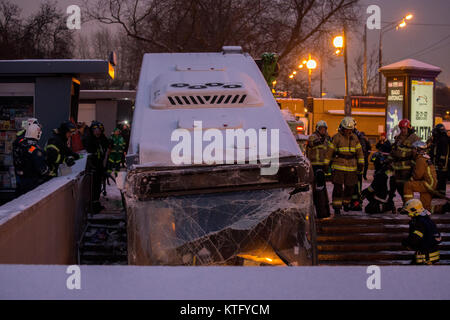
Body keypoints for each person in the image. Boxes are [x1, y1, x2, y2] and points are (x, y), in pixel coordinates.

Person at [324, 117, 364, 215]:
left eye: (350, 129)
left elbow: (359, 153)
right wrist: (326, 164)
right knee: (338, 188)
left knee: (350, 187)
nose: (348, 131)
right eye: (346, 129)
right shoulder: (337, 137)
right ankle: (337, 207)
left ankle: (346, 203)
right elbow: (330, 152)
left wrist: (361, 164)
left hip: (352, 167)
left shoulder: (355, 138)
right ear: (342, 128)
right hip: (338, 167)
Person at [13, 120, 49, 196]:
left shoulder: (21, 144)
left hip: (22, 180)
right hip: (32, 182)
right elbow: (42, 169)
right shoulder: (34, 150)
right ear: (38, 134)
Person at [400, 199, 441, 265]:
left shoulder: (419, 222)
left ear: (414, 210)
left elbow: (415, 238)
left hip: (424, 259)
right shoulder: (427, 220)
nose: (408, 215)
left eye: (408, 212)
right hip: (432, 255)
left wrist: (406, 242)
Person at [390, 119, 420, 200]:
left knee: (406, 188)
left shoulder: (414, 138)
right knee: (398, 186)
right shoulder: (398, 138)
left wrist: (414, 167)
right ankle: (405, 203)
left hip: (408, 168)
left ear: (409, 128)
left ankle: (407, 204)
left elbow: (418, 154)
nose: (403, 130)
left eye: (404, 128)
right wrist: (388, 161)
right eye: (401, 128)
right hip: (398, 168)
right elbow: (393, 151)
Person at [83, 121, 109, 214]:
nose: (98, 132)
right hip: (91, 168)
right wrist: (91, 166)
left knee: (98, 187)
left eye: (99, 130)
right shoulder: (89, 140)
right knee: (92, 188)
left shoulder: (102, 139)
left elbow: (106, 147)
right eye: (96, 130)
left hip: (99, 167)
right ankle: (91, 206)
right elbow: (88, 153)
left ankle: (96, 204)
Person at [403, 140, 437, 212]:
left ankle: (409, 207)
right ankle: (444, 208)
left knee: (408, 185)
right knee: (426, 208)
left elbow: (417, 175)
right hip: (431, 183)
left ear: (417, 150)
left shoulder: (420, 160)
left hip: (427, 184)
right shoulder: (426, 158)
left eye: (413, 149)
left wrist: (410, 179)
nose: (412, 151)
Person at [306, 120, 331, 219]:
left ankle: (325, 210)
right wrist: (322, 139)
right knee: (318, 188)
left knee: (322, 188)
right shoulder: (313, 137)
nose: (323, 130)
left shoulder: (326, 139)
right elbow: (312, 143)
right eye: (321, 129)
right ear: (317, 129)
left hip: (323, 166)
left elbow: (329, 150)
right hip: (314, 166)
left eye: (324, 129)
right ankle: (320, 211)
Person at [428, 123, 448, 196]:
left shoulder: (443, 140)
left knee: (440, 179)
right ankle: (439, 193)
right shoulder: (439, 139)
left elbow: (444, 152)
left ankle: (440, 193)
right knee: (439, 178)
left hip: (441, 164)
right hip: (438, 163)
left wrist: (441, 162)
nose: (434, 133)